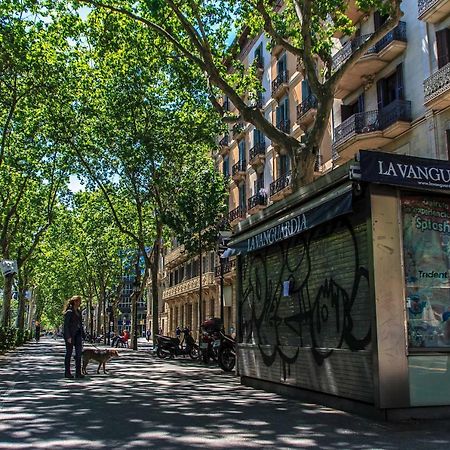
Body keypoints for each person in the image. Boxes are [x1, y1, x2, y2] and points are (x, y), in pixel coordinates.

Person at [63, 295, 85, 379]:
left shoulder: (79, 312)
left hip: (78, 335)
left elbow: (80, 324)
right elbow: (66, 326)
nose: (80, 303)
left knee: (79, 354)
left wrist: (83, 334)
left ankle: (78, 372)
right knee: (69, 353)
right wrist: (68, 336)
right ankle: (67, 372)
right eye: (79, 301)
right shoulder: (69, 312)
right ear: (75, 302)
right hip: (70, 335)